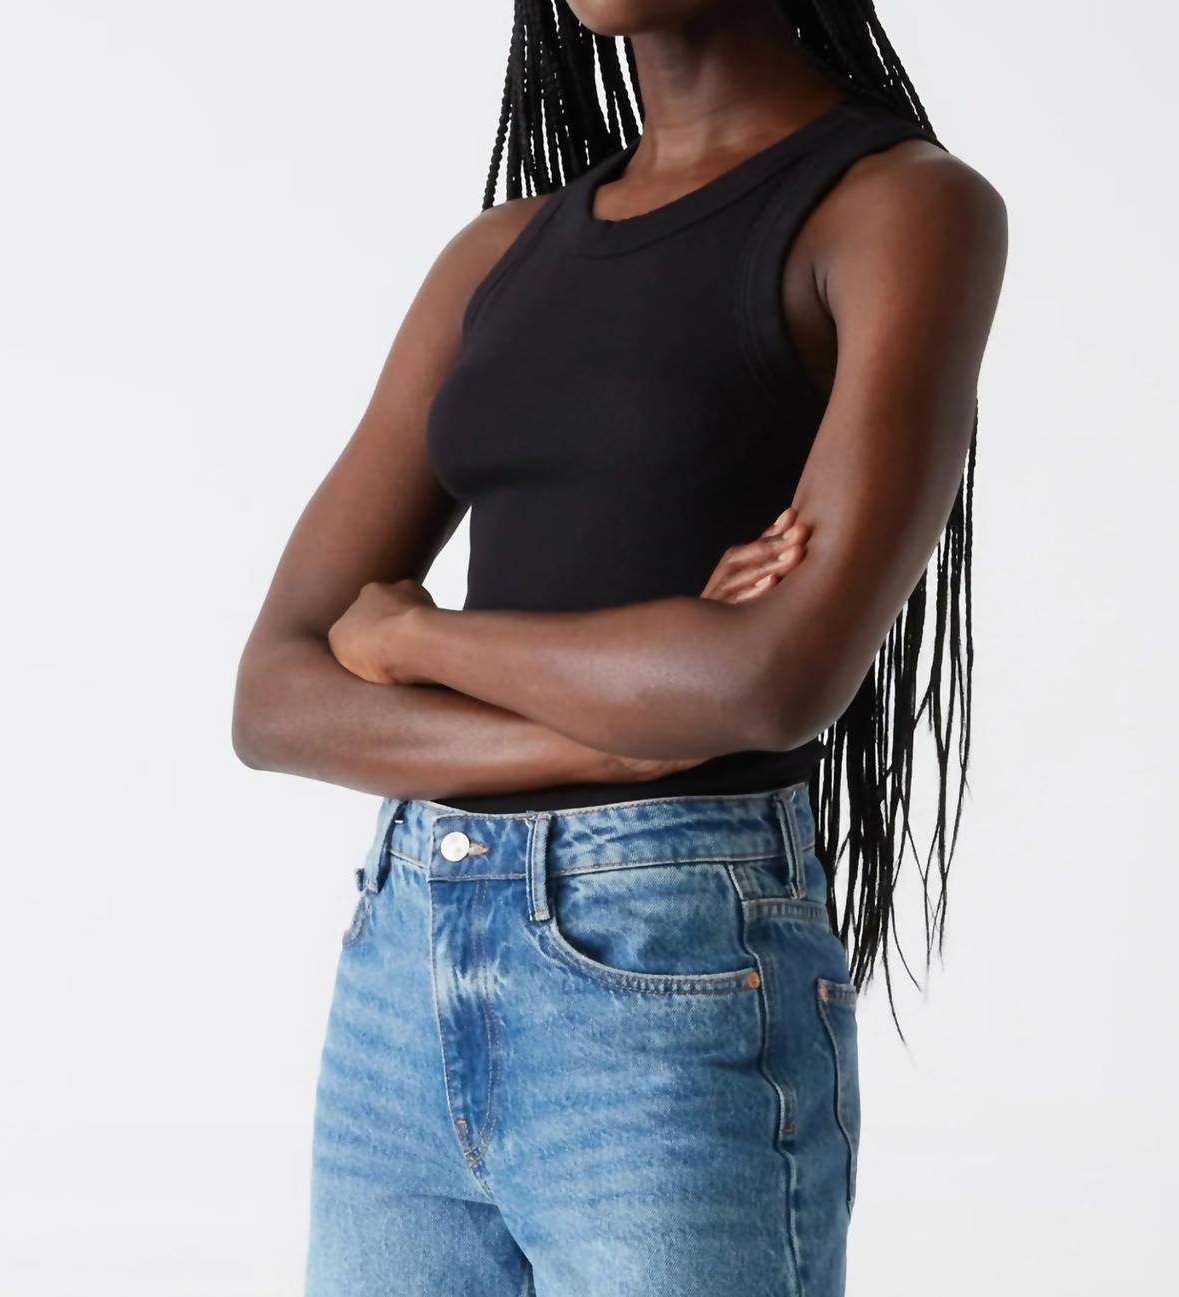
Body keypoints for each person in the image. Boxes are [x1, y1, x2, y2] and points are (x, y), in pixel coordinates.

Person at [232, 1, 1007, 1292]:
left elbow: (766, 681)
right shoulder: (495, 259)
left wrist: (416, 634)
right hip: (407, 960)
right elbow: (274, 694)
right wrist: (623, 734)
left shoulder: (896, 210)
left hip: (673, 957)